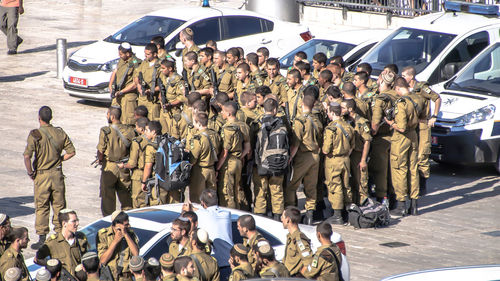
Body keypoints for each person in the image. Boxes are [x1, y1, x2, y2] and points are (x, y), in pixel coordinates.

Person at [23, 106, 76, 249]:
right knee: (59, 206)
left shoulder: (35, 134)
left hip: (42, 175)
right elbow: (71, 152)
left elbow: (27, 156)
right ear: (50, 118)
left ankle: (42, 238)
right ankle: (60, 234)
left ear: (39, 118)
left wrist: (30, 172)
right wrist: (59, 159)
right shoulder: (59, 133)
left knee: (42, 207)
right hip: (57, 174)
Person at [402, 66, 441, 196]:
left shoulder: (421, 88)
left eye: (404, 76)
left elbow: (437, 98)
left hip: (423, 124)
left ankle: (423, 185)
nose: (402, 78)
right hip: (411, 126)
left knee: (422, 154)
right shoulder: (404, 89)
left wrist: (434, 116)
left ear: (411, 77)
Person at [386, 77, 421, 217]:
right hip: (413, 135)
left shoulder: (401, 103)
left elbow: (401, 127)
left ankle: (401, 205)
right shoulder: (417, 98)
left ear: (398, 88)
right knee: (413, 169)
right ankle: (414, 205)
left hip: (401, 138)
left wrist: (389, 122)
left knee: (399, 169)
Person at [288, 94, 322, 225]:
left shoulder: (300, 120)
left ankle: (292, 212)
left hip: (303, 156)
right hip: (315, 155)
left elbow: (296, 143)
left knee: (292, 185)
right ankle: (310, 216)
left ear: (302, 104)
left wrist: (290, 157)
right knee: (311, 187)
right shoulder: (317, 120)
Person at [97, 106, 135, 216]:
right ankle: (127, 219)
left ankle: (109, 221)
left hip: (110, 166)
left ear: (112, 117)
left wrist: (100, 159)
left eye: (107, 114)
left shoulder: (105, 131)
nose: (106, 116)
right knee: (126, 196)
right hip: (124, 166)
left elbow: (100, 150)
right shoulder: (129, 130)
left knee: (108, 196)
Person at [253, 98, 285, 219]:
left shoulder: (258, 123)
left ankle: (261, 217)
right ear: (275, 110)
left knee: (261, 191)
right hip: (278, 163)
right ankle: (277, 218)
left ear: (263, 108)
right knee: (277, 191)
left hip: (261, 163)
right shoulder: (281, 123)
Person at [323, 103, 355, 224]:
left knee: (334, 186)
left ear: (332, 112)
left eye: (328, 112)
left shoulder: (330, 129)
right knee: (346, 185)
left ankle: (337, 215)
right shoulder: (348, 126)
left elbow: (326, 149)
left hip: (334, 160)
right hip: (346, 159)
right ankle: (347, 212)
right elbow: (352, 145)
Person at [370, 70, 398, 205]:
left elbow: (375, 124)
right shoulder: (397, 95)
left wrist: (370, 133)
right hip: (396, 135)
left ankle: (382, 196)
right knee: (393, 169)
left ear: (381, 81)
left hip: (381, 138)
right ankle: (394, 197)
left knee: (380, 170)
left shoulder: (380, 99)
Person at [217, 101, 251, 209]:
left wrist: (217, 168)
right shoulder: (243, 125)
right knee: (236, 190)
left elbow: (224, 152)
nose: (221, 113)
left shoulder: (227, 128)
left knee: (227, 193)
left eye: (223, 111)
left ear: (228, 114)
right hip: (238, 161)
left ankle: (230, 216)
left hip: (228, 162)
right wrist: (239, 157)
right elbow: (247, 147)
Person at [35, 209, 89, 276]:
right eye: (74, 221)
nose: (77, 223)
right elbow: (37, 259)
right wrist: (52, 265)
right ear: (64, 224)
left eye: (77, 220)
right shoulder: (52, 242)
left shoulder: (80, 240)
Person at [343, 99, 372, 205]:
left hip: (358, 154)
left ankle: (363, 207)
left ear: (350, 109)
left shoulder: (361, 122)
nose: (341, 110)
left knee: (361, 182)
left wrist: (363, 160)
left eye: (343, 108)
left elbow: (367, 141)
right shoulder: (344, 120)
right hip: (347, 154)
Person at [97, 211, 139, 281]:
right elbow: (103, 261)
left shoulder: (130, 234)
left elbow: (136, 254)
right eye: (126, 224)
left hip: (126, 277)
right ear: (117, 224)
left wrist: (126, 235)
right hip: (109, 276)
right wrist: (115, 241)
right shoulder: (103, 235)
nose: (129, 226)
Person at [188, 113, 220, 202]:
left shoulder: (197, 138)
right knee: (211, 199)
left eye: (194, 122)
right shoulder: (215, 134)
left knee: (197, 198)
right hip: (211, 169)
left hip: (200, 171)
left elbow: (193, 159)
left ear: (198, 124)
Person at [118, 117, 149, 209]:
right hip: (153, 173)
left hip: (139, 174)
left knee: (138, 200)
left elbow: (132, 163)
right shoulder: (155, 139)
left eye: (136, 126)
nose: (135, 128)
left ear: (142, 129)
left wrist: (123, 165)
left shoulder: (137, 142)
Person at [108, 42, 141, 126]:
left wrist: (122, 92)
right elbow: (115, 72)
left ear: (128, 53)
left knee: (127, 123)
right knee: (114, 120)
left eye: (121, 54)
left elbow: (135, 83)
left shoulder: (136, 63)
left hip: (128, 97)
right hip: (117, 95)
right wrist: (110, 86)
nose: (120, 56)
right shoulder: (121, 60)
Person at [281, 207, 312, 277]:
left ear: (288, 220)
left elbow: (308, 262)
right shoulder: (290, 237)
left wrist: (298, 277)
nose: (281, 219)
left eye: (282, 217)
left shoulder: (299, 239)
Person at [158, 58, 185, 138]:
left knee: (173, 134)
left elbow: (182, 97)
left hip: (173, 111)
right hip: (164, 110)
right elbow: (163, 89)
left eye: (163, 68)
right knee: (164, 132)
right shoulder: (164, 78)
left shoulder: (178, 80)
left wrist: (171, 104)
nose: (161, 70)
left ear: (170, 69)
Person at [134, 43, 161, 121]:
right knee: (140, 122)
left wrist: (152, 90)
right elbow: (136, 76)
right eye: (145, 53)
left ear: (155, 54)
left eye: (148, 54)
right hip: (142, 99)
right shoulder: (144, 62)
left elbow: (163, 84)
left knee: (152, 123)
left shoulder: (159, 66)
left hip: (152, 101)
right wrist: (139, 86)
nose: (146, 56)